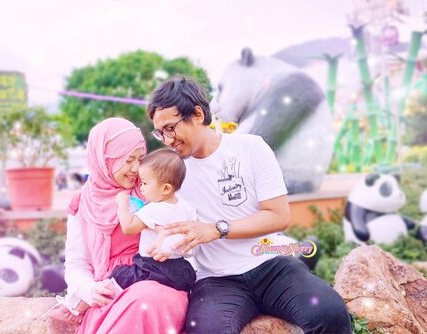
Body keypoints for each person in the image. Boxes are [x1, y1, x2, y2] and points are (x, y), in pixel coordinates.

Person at [146, 77, 353, 334]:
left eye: (171, 128)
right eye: (160, 132)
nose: (167, 139)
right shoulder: (171, 174)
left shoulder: (250, 148)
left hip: (270, 265)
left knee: (329, 312)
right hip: (215, 281)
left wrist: (216, 228)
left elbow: (278, 216)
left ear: (197, 114)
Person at [48, 118, 188, 334]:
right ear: (103, 160)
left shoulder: (154, 190)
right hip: (111, 292)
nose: (135, 169)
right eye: (127, 160)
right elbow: (76, 264)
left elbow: (182, 233)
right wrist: (89, 290)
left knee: (146, 299)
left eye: (140, 159)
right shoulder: (84, 203)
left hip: (160, 284)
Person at [113, 148, 197, 292]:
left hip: (153, 268)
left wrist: (122, 203)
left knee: (118, 274)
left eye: (145, 183)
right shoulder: (187, 208)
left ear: (165, 189)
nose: (141, 187)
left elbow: (128, 227)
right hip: (181, 271)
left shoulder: (153, 209)